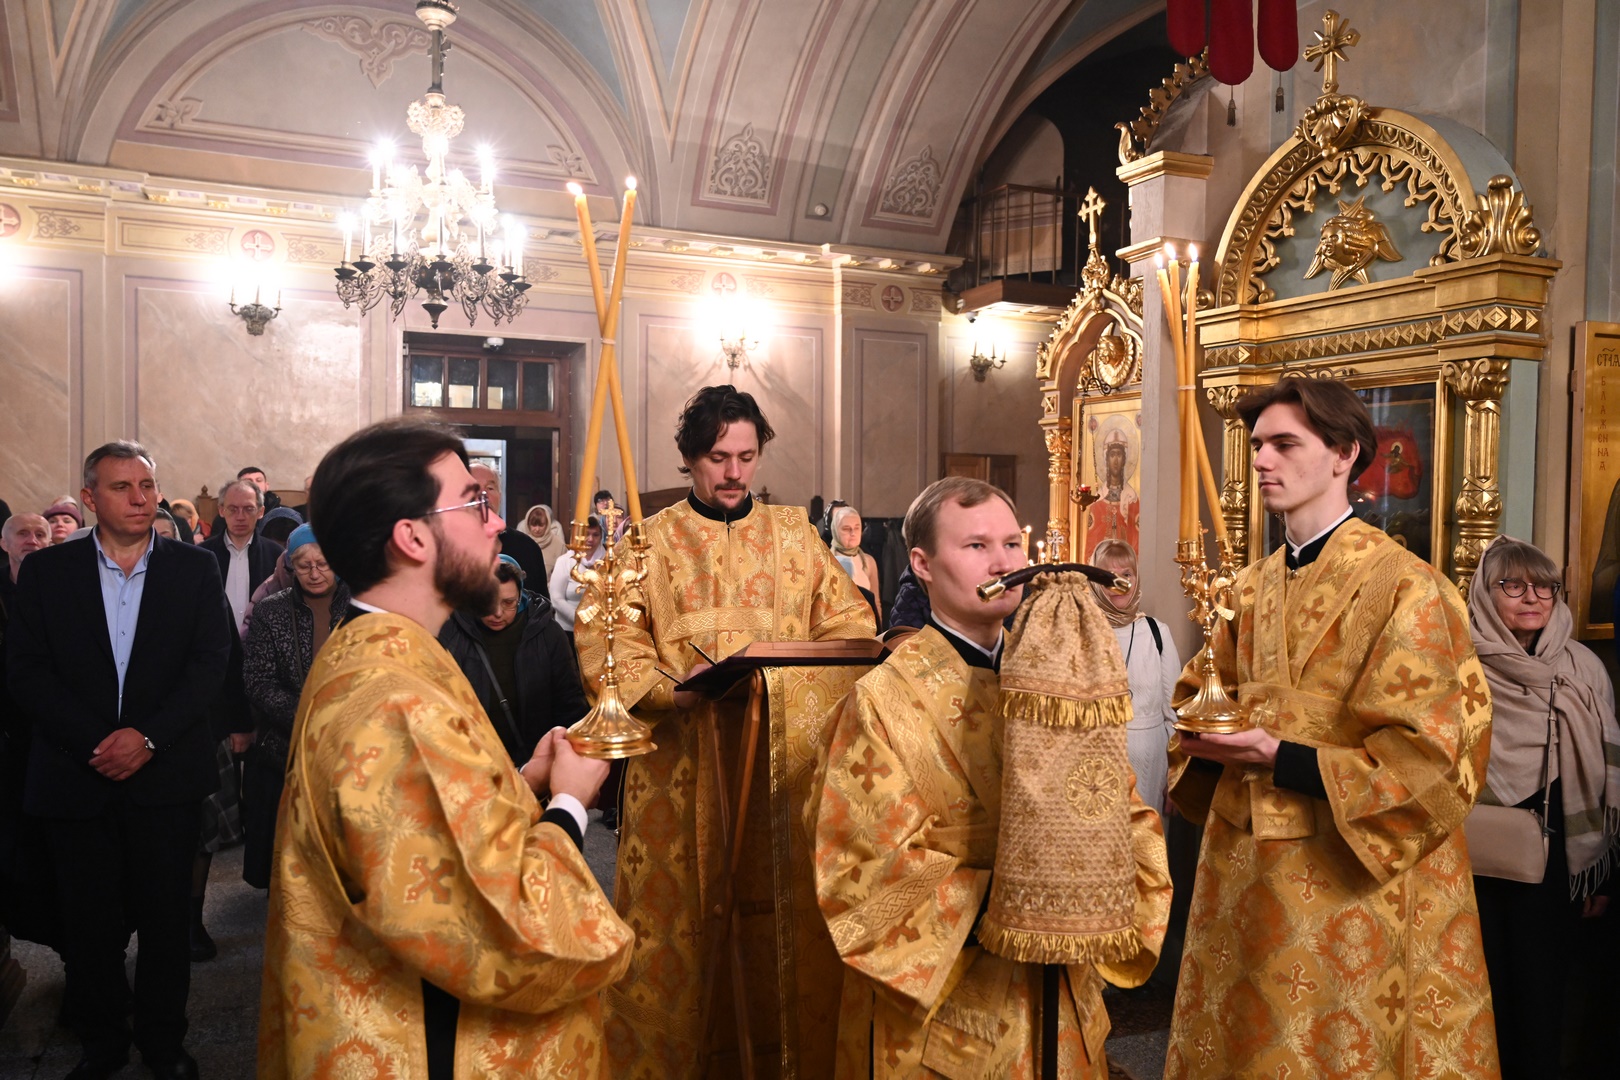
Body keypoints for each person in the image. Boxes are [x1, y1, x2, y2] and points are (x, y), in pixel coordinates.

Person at [258, 418, 633, 1080]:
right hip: (426, 1038)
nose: (498, 524)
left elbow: (417, 833)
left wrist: (522, 781)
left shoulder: (376, 648)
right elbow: (496, 932)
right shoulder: (392, 699)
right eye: (475, 502)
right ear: (412, 537)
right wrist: (571, 801)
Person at [1163, 378, 1499, 1078]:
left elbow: (1438, 756)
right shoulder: (1246, 589)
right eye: (1258, 445)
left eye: (1285, 444)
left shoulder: (1408, 586)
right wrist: (1201, 732)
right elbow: (1201, 693)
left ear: (1345, 454)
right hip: (1244, 872)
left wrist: (1280, 754)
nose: (1262, 460)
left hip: (1351, 881)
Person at [813, 477, 1171, 1076]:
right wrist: (1030, 897)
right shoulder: (881, 700)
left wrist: (1098, 882)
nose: (1004, 563)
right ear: (922, 565)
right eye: (977, 546)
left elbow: (1125, 812)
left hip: (1062, 1004)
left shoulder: (1063, 680)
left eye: (1011, 544)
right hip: (951, 1012)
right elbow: (858, 867)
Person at [576, 384, 874, 1077]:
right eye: (719, 458)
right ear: (689, 458)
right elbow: (609, 645)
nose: (735, 472)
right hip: (679, 773)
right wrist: (671, 690)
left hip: (783, 770)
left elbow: (850, 625)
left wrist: (791, 678)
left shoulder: (796, 536)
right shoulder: (648, 542)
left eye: (746, 456)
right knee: (679, 933)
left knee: (781, 928)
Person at [7, 441, 233, 1080]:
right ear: (89, 498)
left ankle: (164, 1045)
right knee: (89, 927)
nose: (140, 498)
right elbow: (26, 671)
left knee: (166, 924)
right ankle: (102, 1044)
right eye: (121, 487)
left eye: (147, 485)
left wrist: (148, 738)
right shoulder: (48, 573)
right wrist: (98, 742)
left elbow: (209, 664)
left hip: (165, 777)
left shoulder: (194, 568)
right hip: (75, 778)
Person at [1466, 535, 1619, 1079]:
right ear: (1484, 594)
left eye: (1545, 586)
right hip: (1467, 853)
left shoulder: (1583, 667)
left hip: (1558, 855)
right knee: (1475, 990)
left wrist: (1601, 875)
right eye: (1512, 585)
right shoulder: (1454, 663)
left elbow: (1605, 779)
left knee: (1543, 993)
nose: (1532, 597)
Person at [239, 525, 349, 891]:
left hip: (350, 746)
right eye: (304, 565)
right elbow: (258, 679)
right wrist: (307, 716)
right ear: (290, 566)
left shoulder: (359, 607)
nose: (315, 573)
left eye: (323, 563)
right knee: (291, 865)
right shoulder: (271, 611)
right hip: (287, 749)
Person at [439, 555, 589, 766]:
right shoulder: (452, 633)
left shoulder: (548, 634)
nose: (497, 613)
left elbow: (569, 702)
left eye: (508, 603)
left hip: (536, 759)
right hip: (471, 762)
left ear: (520, 597)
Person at [0, 513, 59, 951]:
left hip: (54, 734)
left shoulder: (63, 590)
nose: (33, 540)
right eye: (23, 533)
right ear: (5, 544)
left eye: (41, 534)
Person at [1088, 538, 1180, 815]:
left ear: (1136, 578)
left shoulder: (1156, 632)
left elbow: (1174, 713)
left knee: (1148, 837)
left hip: (1151, 761)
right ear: (1095, 582)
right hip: (1095, 760)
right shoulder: (1083, 632)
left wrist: (1176, 776)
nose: (1119, 583)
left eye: (1126, 574)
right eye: (1108, 576)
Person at [202, 478, 285, 637]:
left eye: (248, 509)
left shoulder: (276, 555)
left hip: (262, 642)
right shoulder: (203, 555)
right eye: (232, 509)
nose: (240, 517)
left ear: (260, 512)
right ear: (221, 511)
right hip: (216, 642)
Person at [470, 462, 549, 588]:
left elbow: (540, 599)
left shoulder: (527, 548)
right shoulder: (446, 548)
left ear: (500, 496)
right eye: (475, 488)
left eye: (490, 488)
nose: (484, 495)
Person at [548, 516, 603, 632]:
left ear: (601, 537)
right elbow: (556, 599)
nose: (590, 539)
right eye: (586, 534)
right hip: (568, 629)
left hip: (600, 629)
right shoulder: (564, 561)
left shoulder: (608, 561)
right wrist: (580, 619)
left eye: (595, 535)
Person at [523, 503, 568, 571]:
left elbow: (564, 569)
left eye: (541, 525)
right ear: (528, 524)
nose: (537, 529)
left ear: (547, 523)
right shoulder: (523, 543)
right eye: (534, 525)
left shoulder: (559, 544)